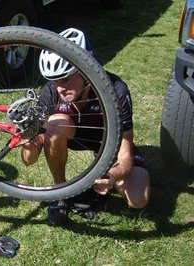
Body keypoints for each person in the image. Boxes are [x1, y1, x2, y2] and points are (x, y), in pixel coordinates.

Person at [21, 28, 151, 225]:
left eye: (65, 79)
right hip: (72, 135)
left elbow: (124, 155)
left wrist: (112, 175)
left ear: (85, 69)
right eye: (53, 80)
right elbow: (28, 161)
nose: (59, 87)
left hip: (109, 143)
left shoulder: (116, 90)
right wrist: (26, 138)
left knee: (138, 199)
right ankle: (61, 191)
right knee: (55, 123)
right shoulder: (50, 92)